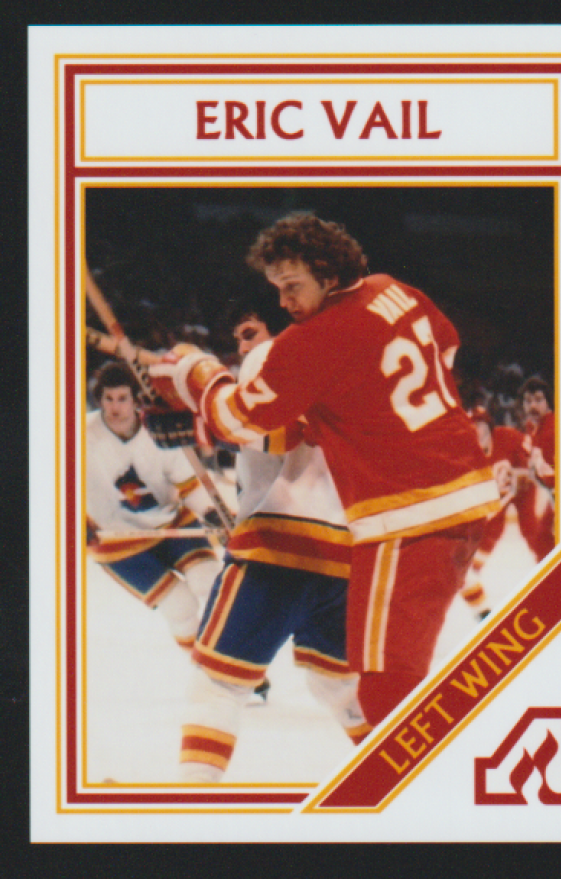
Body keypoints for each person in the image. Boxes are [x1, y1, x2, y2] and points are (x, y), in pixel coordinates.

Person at [149, 212, 501, 729]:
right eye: (277, 289)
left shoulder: (313, 340)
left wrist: (191, 372)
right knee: (373, 677)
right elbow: (444, 345)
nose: (284, 302)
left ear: (328, 272)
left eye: (292, 286)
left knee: (386, 690)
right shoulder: (394, 289)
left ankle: (437, 772)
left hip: (410, 515)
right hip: (467, 493)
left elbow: (236, 418)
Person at [175, 293, 369, 782]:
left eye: (249, 333)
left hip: (281, 550)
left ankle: (187, 809)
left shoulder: (277, 354)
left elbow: (272, 428)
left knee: (217, 685)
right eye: (239, 340)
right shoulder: (348, 363)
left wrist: (196, 375)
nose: (245, 348)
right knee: (338, 685)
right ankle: (411, 777)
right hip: (346, 557)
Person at [86, 361, 223, 651]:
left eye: (122, 398)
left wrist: (211, 513)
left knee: (210, 582)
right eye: (108, 399)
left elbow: (187, 482)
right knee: (181, 607)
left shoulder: (157, 429)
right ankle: (202, 663)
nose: (115, 407)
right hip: (117, 542)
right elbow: (54, 485)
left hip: (172, 523)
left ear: (136, 399)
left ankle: (224, 656)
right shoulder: (78, 435)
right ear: (99, 399)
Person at [460, 406, 536, 620]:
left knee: (463, 572)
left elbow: (535, 457)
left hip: (501, 516)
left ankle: (484, 615)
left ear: (490, 427)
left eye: (480, 426)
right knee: (462, 572)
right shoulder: (462, 454)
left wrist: (528, 472)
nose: (476, 431)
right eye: (472, 427)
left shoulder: (507, 437)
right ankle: (484, 615)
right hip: (479, 521)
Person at [516, 375, 556, 562]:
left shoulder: (555, 429)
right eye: (528, 401)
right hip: (551, 499)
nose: (532, 406)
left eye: (538, 400)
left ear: (548, 402)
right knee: (540, 546)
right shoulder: (534, 429)